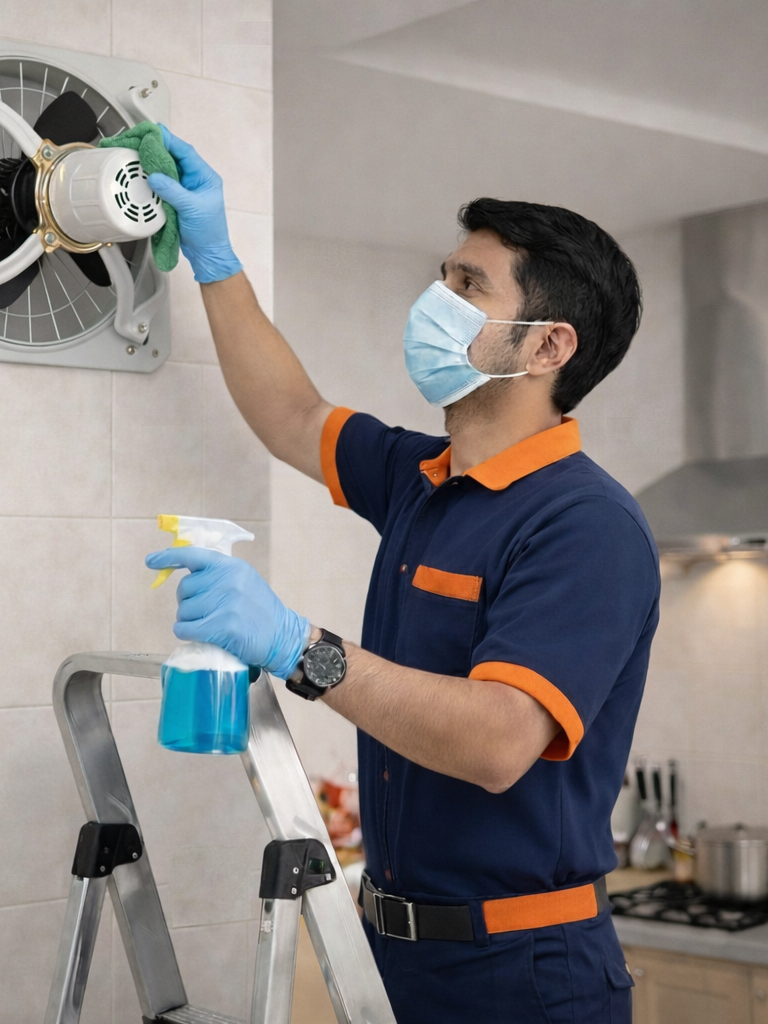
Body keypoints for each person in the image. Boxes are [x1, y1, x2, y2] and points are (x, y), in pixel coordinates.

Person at [145, 126, 658, 1023]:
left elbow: (500, 742)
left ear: (548, 348)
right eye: (443, 276)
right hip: (390, 953)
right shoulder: (426, 478)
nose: (436, 299)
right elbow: (292, 414)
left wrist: (298, 646)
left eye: (468, 287)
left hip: (523, 974)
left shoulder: (587, 527)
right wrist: (214, 260)